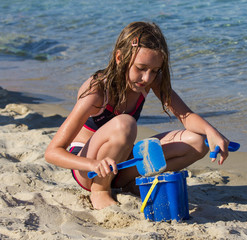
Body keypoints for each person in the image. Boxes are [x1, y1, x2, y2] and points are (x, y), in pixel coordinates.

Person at [45, 21, 230, 210]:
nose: (147, 78)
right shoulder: (97, 91)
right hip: (88, 169)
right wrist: (93, 164)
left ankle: (130, 183)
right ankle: (100, 190)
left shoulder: (148, 81)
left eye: (154, 70)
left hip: (121, 165)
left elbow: (186, 115)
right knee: (125, 124)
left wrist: (211, 131)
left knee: (198, 142)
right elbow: (52, 152)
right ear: (120, 57)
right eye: (141, 68)